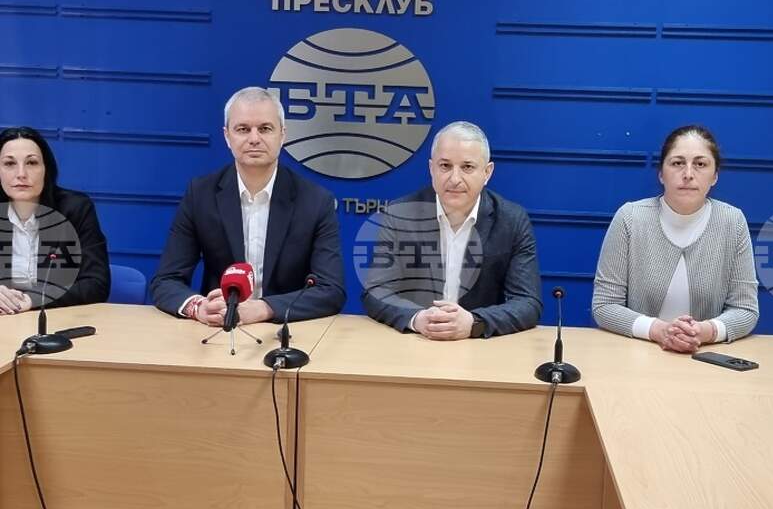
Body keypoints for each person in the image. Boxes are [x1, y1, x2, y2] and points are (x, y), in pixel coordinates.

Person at [150, 87, 345, 325]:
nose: (254, 139)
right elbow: (166, 280)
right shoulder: (200, 194)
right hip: (219, 327)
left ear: (282, 135)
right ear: (227, 136)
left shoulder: (315, 201)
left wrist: (265, 308)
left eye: (265, 128)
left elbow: (331, 290)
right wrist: (198, 308)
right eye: (243, 129)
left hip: (286, 330)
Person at [361, 121, 542, 339]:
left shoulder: (511, 220)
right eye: (445, 166)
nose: (455, 179)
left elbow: (528, 302)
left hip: (478, 346)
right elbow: (376, 291)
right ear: (431, 169)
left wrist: (474, 322)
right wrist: (417, 318)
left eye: (467, 167)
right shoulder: (399, 215)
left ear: (487, 172)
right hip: (415, 341)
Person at [592, 125, 759, 352]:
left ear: (715, 176)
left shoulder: (733, 221)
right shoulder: (630, 218)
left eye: (700, 164)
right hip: (637, 354)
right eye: (678, 163)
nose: (688, 174)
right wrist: (659, 331)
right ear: (661, 173)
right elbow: (605, 305)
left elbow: (746, 310)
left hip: (706, 357)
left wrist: (703, 332)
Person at [0, 126, 110, 314]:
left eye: (31, 163)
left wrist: (33, 299)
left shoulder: (75, 209)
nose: (21, 174)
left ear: (46, 169)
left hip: (58, 319)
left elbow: (96, 284)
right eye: (9, 163)